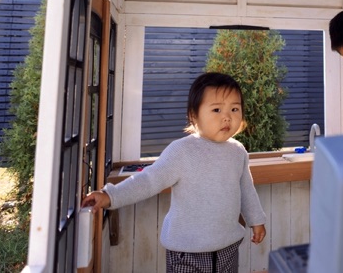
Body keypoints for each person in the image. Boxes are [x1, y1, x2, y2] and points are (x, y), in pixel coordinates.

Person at [82, 72, 266, 273]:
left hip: (227, 248)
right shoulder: (182, 151)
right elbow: (149, 180)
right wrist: (110, 196)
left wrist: (256, 220)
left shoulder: (238, 151)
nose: (227, 117)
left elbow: (247, 190)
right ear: (194, 116)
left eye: (234, 109)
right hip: (187, 253)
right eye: (216, 109)